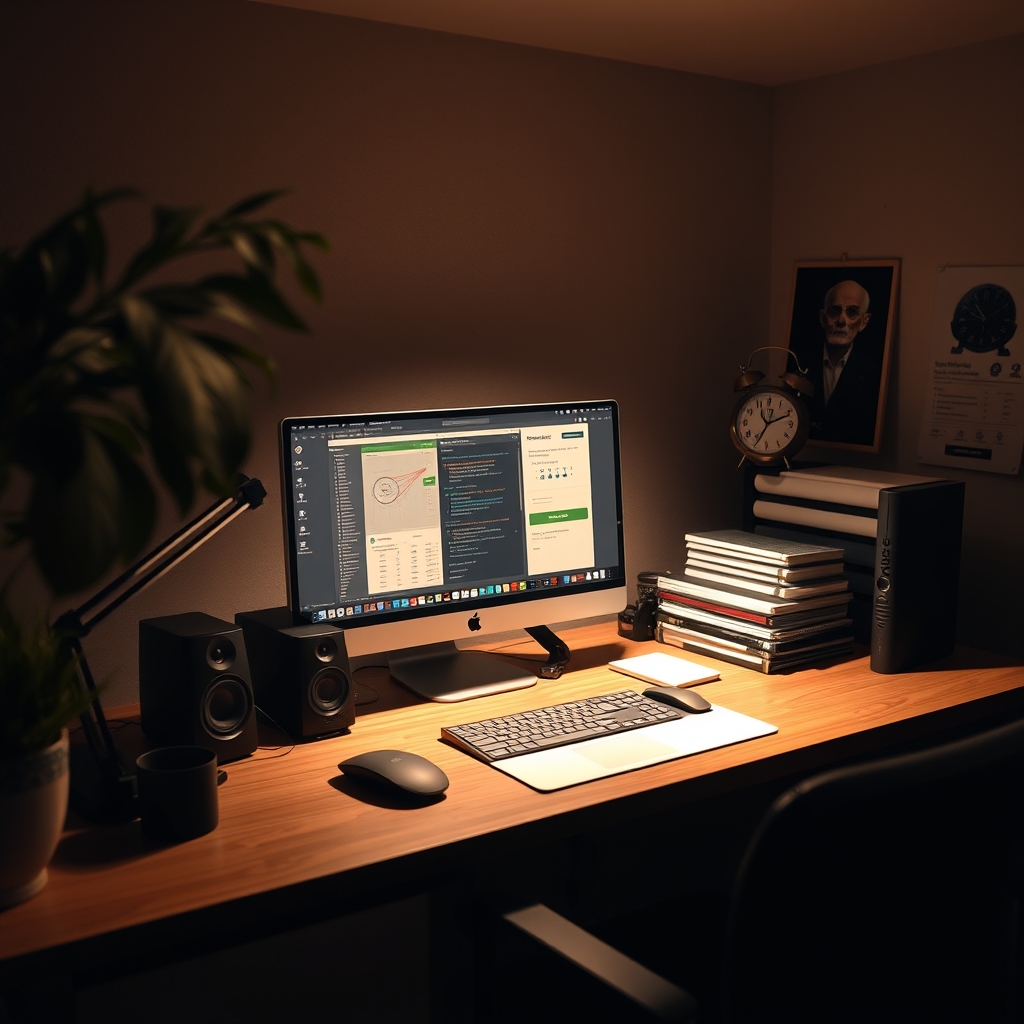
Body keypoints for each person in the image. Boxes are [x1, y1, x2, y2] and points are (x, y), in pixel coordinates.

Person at [803, 279, 882, 446]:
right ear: (823, 318)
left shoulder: (875, 375)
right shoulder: (798, 365)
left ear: (864, 322)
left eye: (851, 312)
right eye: (835, 311)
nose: (841, 321)